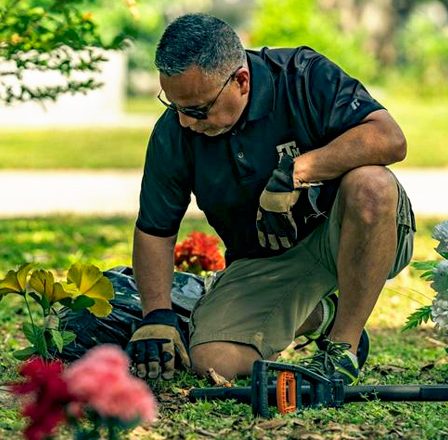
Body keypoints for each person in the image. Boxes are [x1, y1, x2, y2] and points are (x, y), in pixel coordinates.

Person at [126, 13, 416, 384]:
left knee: (372, 184)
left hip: (346, 231)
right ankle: (322, 314)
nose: (185, 121)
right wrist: (157, 317)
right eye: (174, 106)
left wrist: (298, 171)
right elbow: (155, 229)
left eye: (198, 110)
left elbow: (390, 139)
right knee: (212, 361)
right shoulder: (175, 132)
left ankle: (343, 348)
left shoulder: (303, 75)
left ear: (241, 81)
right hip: (265, 260)